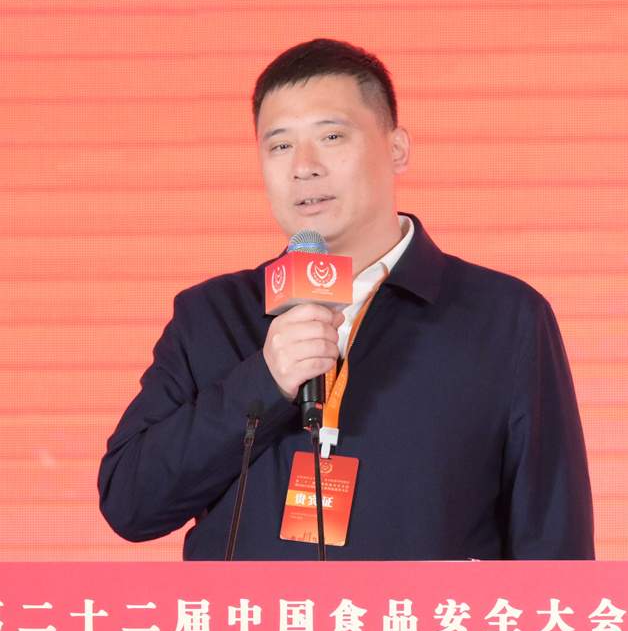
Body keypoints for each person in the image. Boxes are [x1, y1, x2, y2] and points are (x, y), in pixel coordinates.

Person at [98, 38, 595, 560]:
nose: (303, 167)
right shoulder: (212, 315)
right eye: (280, 146)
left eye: (331, 136)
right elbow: (130, 504)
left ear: (397, 149)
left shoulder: (504, 317)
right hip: (258, 617)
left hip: (418, 616)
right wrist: (263, 382)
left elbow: (554, 540)